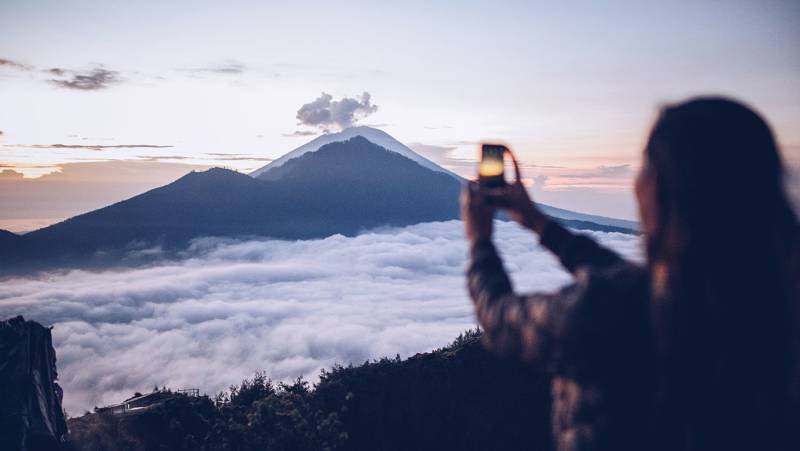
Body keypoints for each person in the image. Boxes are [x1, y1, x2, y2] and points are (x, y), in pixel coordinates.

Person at [462, 97, 799, 451]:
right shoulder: (772, 304)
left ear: (663, 191)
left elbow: (500, 319)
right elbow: (627, 279)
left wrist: (480, 241)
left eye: (646, 168)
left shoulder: (608, 311)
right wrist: (538, 224)